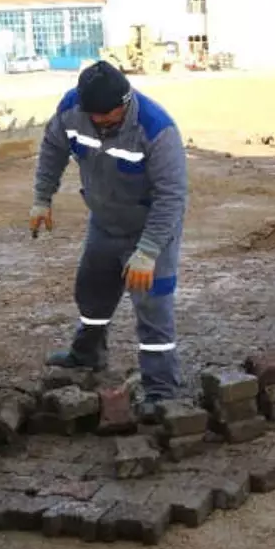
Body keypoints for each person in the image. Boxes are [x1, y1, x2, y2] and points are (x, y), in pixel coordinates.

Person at [30, 61, 188, 421]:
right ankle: (88, 355)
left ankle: (162, 389)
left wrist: (147, 252)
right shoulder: (72, 110)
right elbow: (53, 148)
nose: (102, 126)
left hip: (150, 231)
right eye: (96, 119)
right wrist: (42, 198)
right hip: (103, 223)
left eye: (110, 119)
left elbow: (172, 196)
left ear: (126, 102)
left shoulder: (156, 129)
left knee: (152, 307)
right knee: (92, 292)